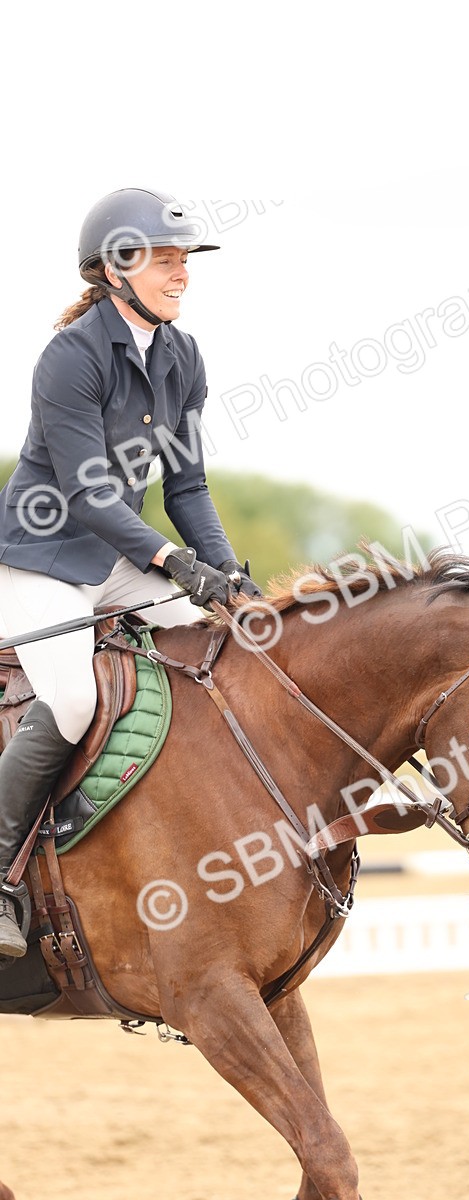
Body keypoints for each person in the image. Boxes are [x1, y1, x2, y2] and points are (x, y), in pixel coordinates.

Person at [0, 187, 261, 957]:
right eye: (166, 261)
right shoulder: (70, 357)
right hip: (40, 559)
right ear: (116, 270)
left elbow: (185, 484)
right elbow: (88, 493)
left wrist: (225, 577)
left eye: (185, 261)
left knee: (223, 648)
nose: (181, 275)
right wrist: (174, 561)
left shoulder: (182, 355)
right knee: (75, 698)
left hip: (116, 562)